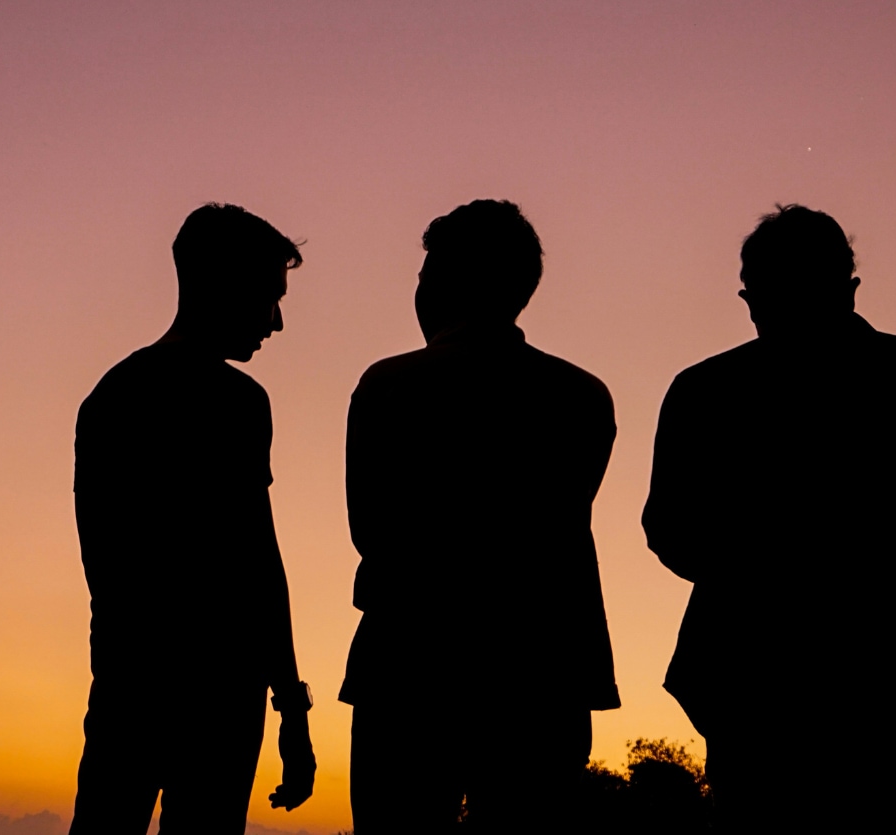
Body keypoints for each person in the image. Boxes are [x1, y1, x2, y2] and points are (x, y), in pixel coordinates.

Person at [642, 205, 896, 832]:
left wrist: (765, 574)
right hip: (892, 677)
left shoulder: (706, 391)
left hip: (770, 682)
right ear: (850, 287)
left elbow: (672, 531)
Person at [340, 199, 620, 834]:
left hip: (411, 665)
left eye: (425, 275)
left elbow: (370, 529)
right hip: (544, 669)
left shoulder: (390, 384)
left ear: (444, 283)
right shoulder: (582, 395)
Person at [69, 203, 316, 834]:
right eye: (270, 298)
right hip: (218, 694)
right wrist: (291, 706)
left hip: (127, 683)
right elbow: (258, 561)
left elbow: (103, 563)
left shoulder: (110, 395)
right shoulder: (237, 403)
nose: (277, 322)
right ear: (225, 287)